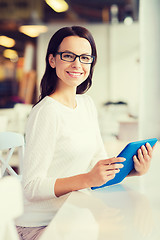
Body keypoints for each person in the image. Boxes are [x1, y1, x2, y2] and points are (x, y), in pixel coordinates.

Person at [16, 26, 154, 240]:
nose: (77, 64)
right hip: (41, 226)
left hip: (73, 214)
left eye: (85, 57)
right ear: (52, 60)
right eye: (68, 56)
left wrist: (132, 170)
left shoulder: (86, 104)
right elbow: (31, 187)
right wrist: (88, 179)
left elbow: (96, 162)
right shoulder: (46, 112)